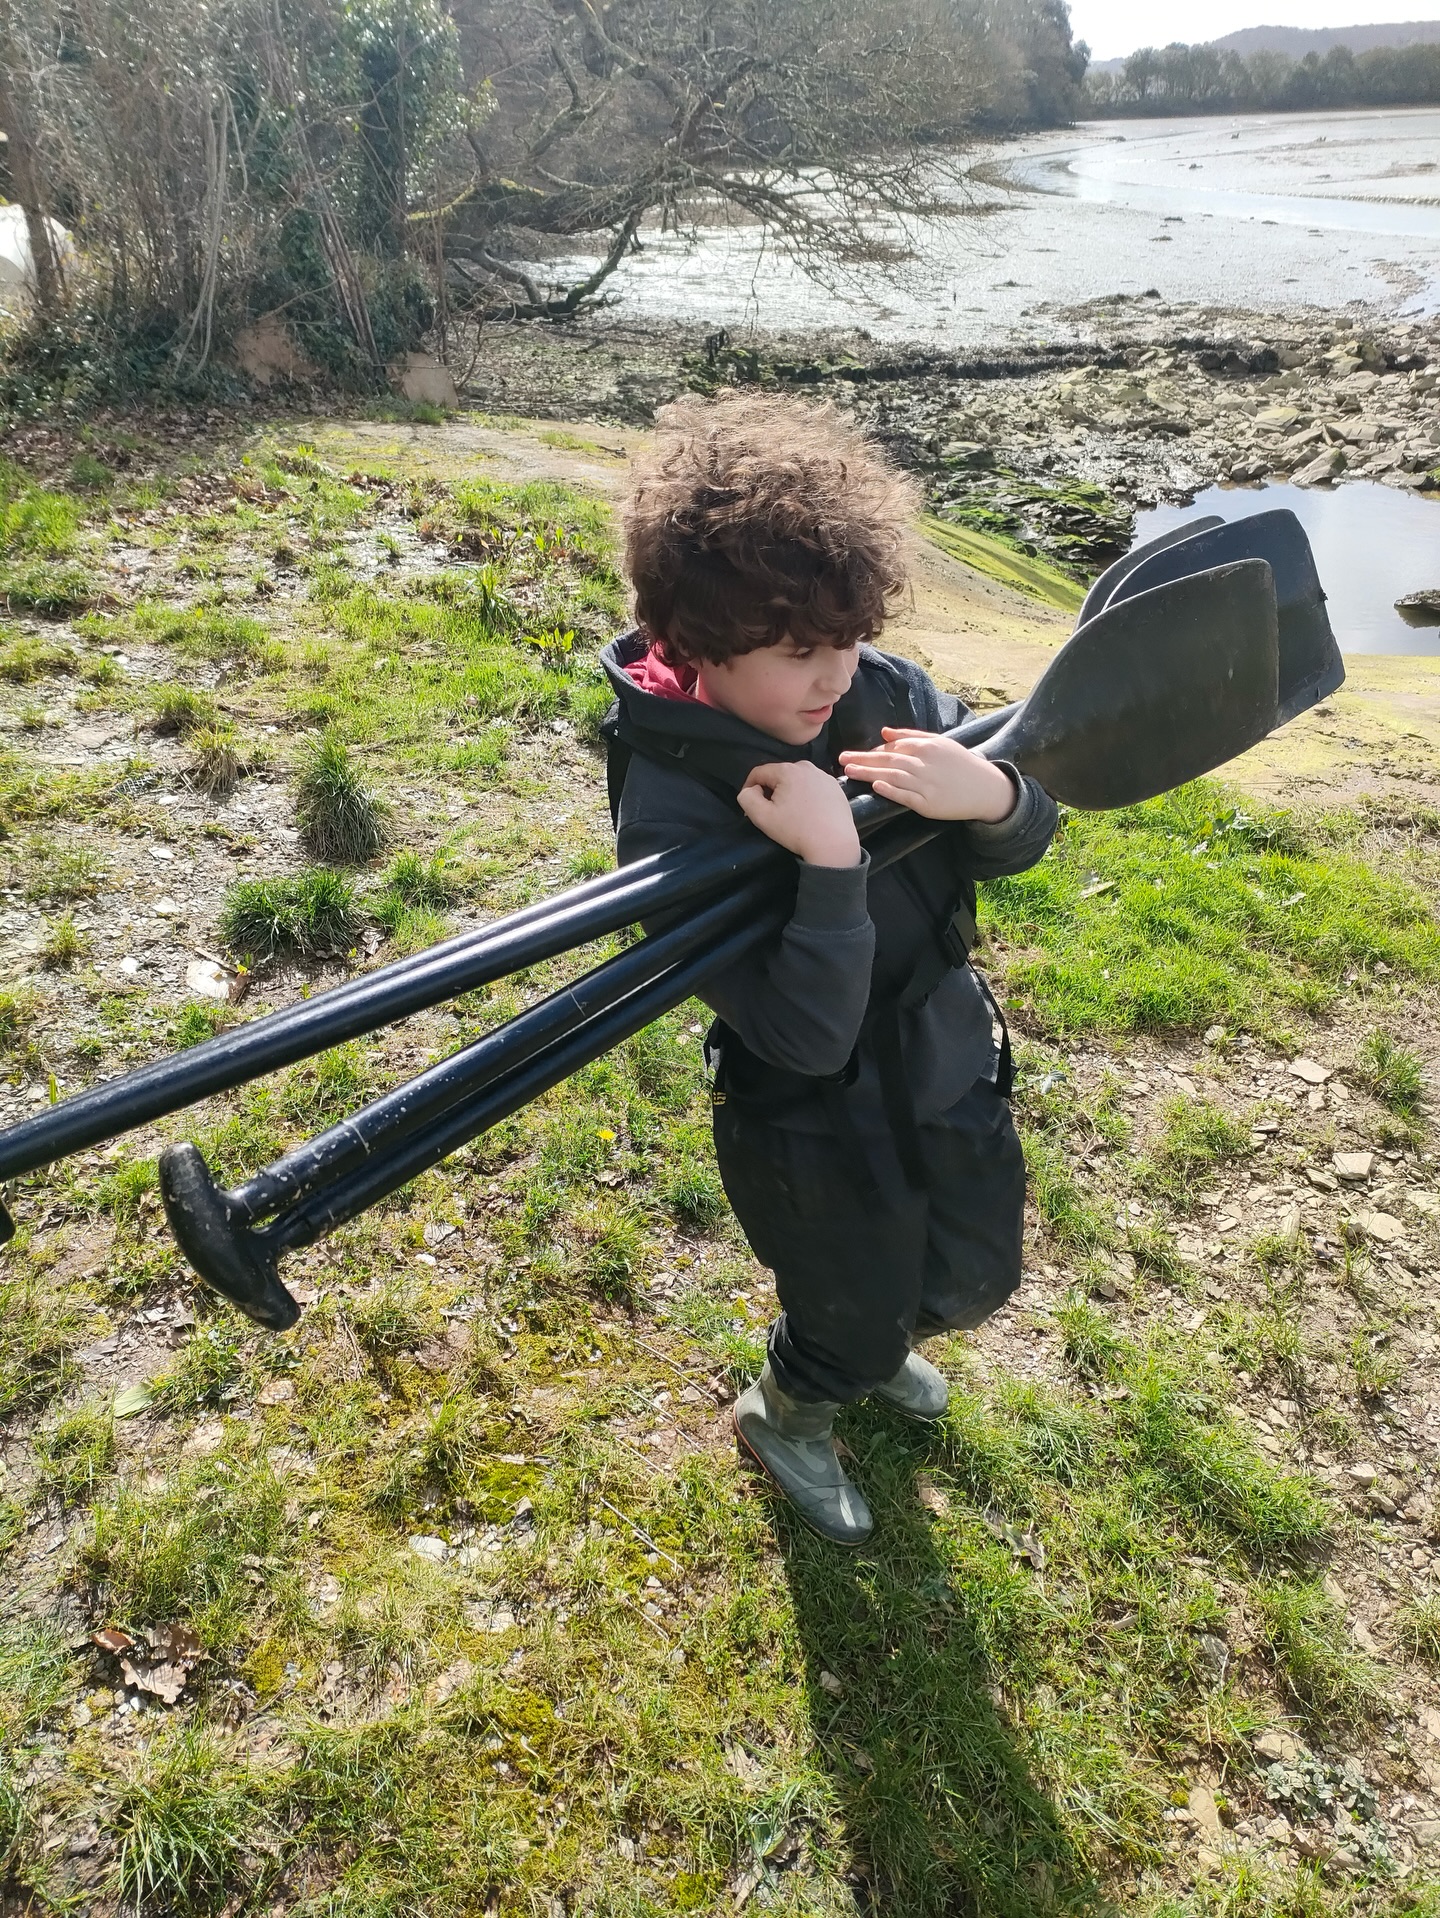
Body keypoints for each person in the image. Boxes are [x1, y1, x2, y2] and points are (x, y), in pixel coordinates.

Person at [600, 392, 1058, 1545]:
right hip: (808, 1119)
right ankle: (792, 1407)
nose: (834, 674)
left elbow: (1026, 826)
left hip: (945, 1058)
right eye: (799, 652)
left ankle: (881, 1338)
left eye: (847, 640)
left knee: (976, 1274)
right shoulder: (670, 802)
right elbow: (801, 1034)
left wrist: (994, 798)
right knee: (846, 1311)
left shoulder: (881, 689)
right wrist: (831, 862)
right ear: (693, 643)